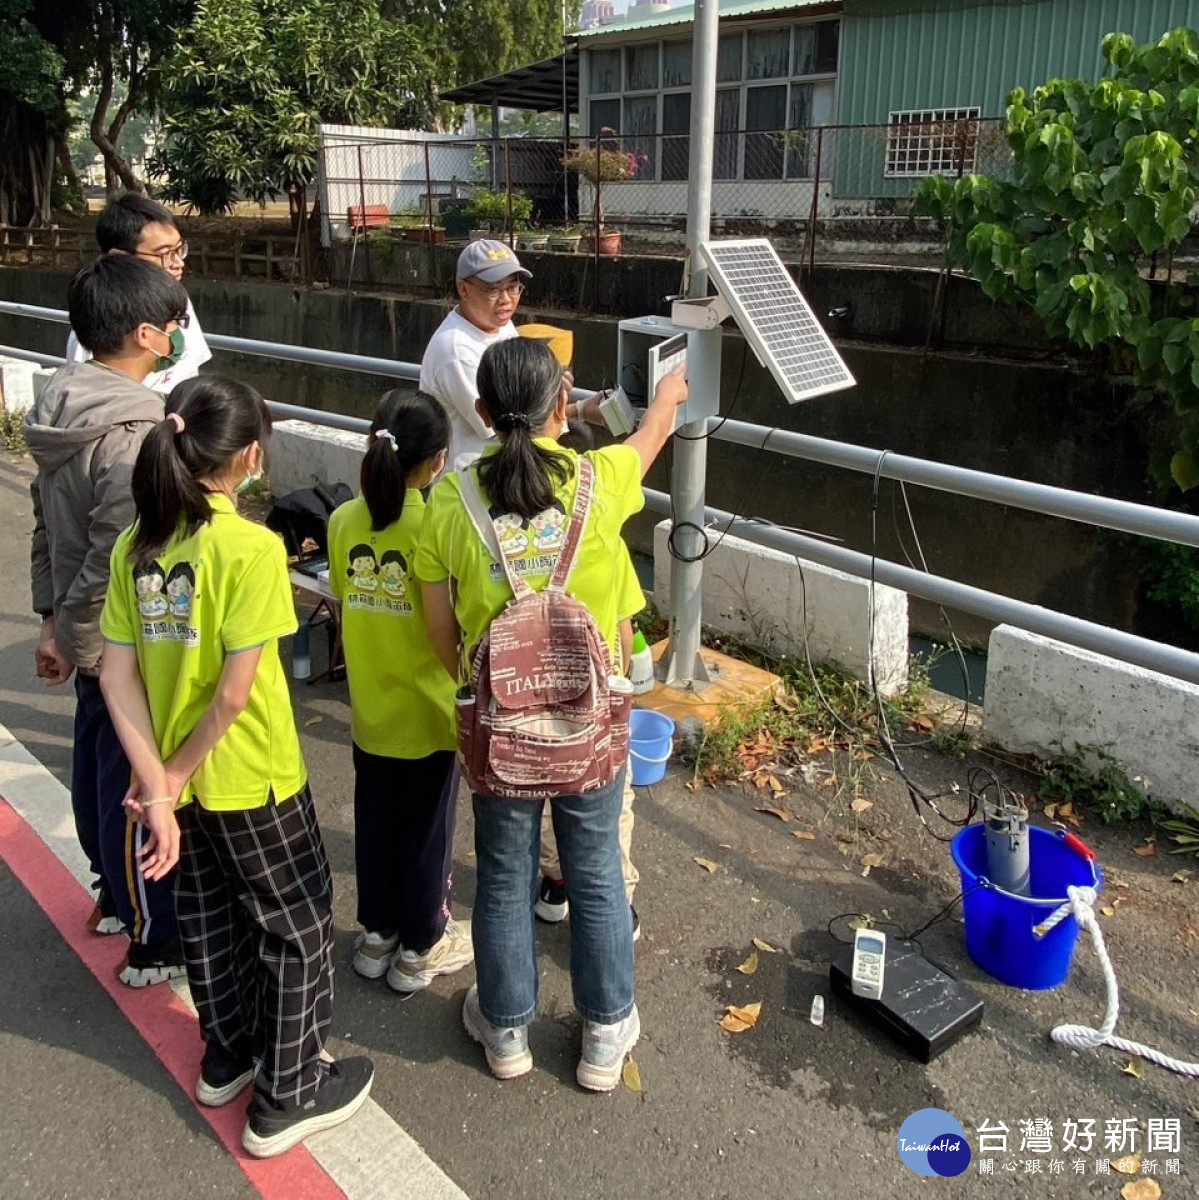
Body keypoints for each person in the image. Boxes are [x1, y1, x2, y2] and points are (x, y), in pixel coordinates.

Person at [98, 375, 373, 1158]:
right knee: (294, 920)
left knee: (213, 912)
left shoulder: (135, 546)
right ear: (249, 456)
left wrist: (156, 784)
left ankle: (229, 1054)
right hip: (249, 773)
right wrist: (175, 774)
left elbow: (116, 677)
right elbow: (233, 695)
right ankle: (290, 1092)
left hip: (176, 784)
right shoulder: (252, 548)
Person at [416, 338, 686, 1091]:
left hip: (499, 731)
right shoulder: (599, 480)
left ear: (478, 412)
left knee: (502, 875)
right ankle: (604, 1036)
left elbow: (439, 628)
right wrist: (668, 394)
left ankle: (505, 1031)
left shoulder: (449, 497)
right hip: (589, 730)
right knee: (595, 870)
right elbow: (649, 437)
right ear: (562, 407)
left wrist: (485, 696)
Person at [27, 254, 189, 985]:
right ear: (150, 336)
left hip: (79, 625)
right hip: (117, 637)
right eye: (177, 325)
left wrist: (51, 619)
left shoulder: (62, 399)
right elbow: (114, 551)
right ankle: (152, 931)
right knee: (136, 783)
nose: (182, 335)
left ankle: (113, 895)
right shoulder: (135, 433)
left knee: (95, 760)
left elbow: (45, 525)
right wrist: (81, 630)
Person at [327, 390, 473, 993]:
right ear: (439, 461)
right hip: (430, 714)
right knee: (427, 834)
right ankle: (422, 943)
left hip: (371, 711)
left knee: (378, 823)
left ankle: (377, 934)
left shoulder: (340, 522)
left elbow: (343, 601)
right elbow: (454, 620)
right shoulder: (440, 525)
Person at [66, 193, 211, 394]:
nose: (178, 263)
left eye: (179, 250)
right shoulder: (98, 323)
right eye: (164, 253)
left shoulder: (177, 298)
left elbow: (190, 369)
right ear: (119, 257)